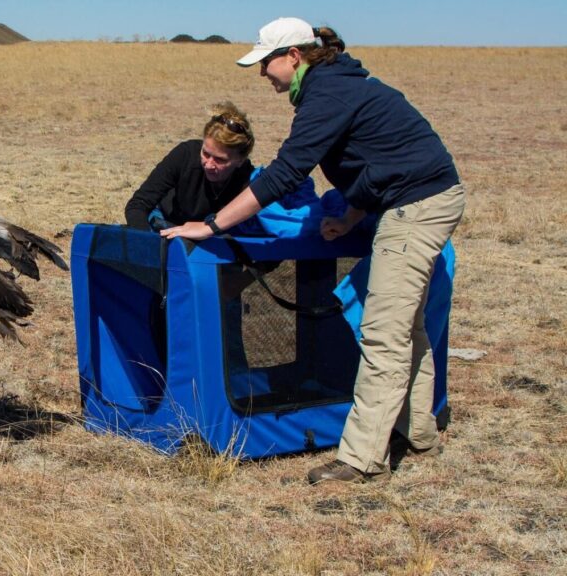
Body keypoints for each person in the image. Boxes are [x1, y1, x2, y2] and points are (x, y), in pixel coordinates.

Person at [160, 17, 466, 484]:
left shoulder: (327, 93)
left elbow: (285, 174)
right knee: (410, 328)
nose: (262, 72)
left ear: (294, 56)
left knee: (383, 333)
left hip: (416, 206)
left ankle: (363, 459)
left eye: (266, 61)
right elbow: (381, 162)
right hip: (422, 196)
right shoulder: (336, 85)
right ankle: (419, 433)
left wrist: (212, 224)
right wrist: (351, 217)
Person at [124, 102, 257, 232]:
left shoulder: (249, 180)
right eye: (205, 153)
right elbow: (138, 204)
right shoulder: (185, 155)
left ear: (240, 161)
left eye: (220, 159)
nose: (209, 165)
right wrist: (146, 240)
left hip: (214, 235)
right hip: (168, 223)